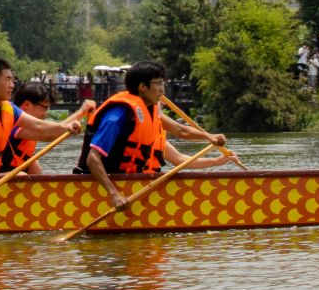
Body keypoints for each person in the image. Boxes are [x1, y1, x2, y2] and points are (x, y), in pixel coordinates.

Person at [73, 60, 233, 206]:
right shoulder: (118, 116)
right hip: (108, 189)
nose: (163, 89)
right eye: (158, 83)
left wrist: (210, 139)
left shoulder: (152, 115)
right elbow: (92, 159)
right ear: (142, 86)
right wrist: (114, 195)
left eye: (163, 83)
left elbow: (181, 131)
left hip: (138, 185)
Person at [0, 56, 91, 200]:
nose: (12, 85)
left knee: (22, 176)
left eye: (12, 80)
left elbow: (40, 126)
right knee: (19, 176)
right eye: (7, 80)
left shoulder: (9, 109)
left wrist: (65, 126)